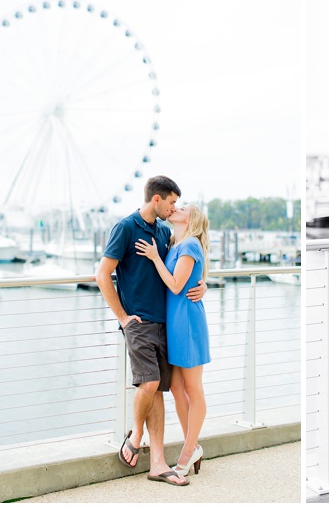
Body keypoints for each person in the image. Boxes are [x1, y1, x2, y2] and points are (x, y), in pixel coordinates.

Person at [96, 176, 207, 486]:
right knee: (150, 384)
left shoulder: (164, 233)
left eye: (178, 205)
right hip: (139, 322)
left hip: (167, 324)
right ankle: (136, 434)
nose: (174, 208)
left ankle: (157, 462)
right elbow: (102, 275)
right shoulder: (126, 227)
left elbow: (184, 269)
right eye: (171, 202)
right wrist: (122, 316)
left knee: (160, 388)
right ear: (156, 200)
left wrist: (204, 285)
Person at [135, 203, 212, 480]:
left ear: (191, 219)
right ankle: (194, 446)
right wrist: (204, 282)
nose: (176, 208)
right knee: (178, 388)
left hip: (188, 324)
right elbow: (192, 278)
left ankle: (188, 451)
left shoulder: (189, 244)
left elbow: (177, 285)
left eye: (183, 207)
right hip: (175, 324)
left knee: (193, 389)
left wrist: (155, 258)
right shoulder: (174, 243)